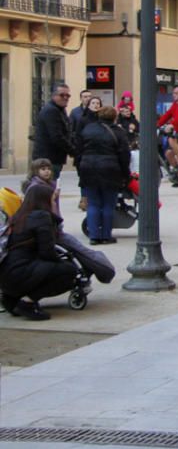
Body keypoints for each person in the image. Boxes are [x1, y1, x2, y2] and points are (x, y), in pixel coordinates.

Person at [0, 184, 77, 320]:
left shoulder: (18, 216)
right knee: (68, 271)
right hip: (19, 273)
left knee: (39, 267)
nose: (55, 203)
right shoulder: (41, 217)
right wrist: (62, 262)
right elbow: (47, 252)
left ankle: (11, 300)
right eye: (53, 200)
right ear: (44, 200)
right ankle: (28, 303)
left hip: (6, 275)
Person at [78, 106, 130, 245]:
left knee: (93, 204)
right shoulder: (118, 132)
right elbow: (125, 155)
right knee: (108, 204)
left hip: (88, 168)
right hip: (110, 169)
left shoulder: (88, 129)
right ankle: (106, 235)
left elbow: (78, 149)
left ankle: (94, 236)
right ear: (114, 117)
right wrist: (126, 174)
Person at [31, 83, 76, 181]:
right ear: (54, 95)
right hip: (47, 159)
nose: (65, 98)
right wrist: (73, 151)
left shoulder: (60, 110)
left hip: (53, 158)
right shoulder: (51, 111)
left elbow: (66, 131)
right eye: (62, 95)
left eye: (67, 95)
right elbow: (57, 136)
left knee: (50, 188)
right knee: (47, 189)